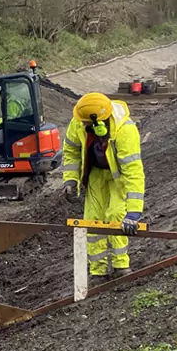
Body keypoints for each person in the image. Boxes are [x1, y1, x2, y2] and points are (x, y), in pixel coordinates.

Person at [60, 92, 145, 278]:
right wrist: (71, 179)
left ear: (97, 122)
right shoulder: (78, 121)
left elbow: (133, 172)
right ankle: (98, 270)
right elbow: (71, 151)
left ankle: (121, 266)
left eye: (85, 123)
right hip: (96, 173)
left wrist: (133, 212)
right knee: (92, 219)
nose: (81, 124)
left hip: (118, 176)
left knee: (116, 215)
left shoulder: (125, 130)